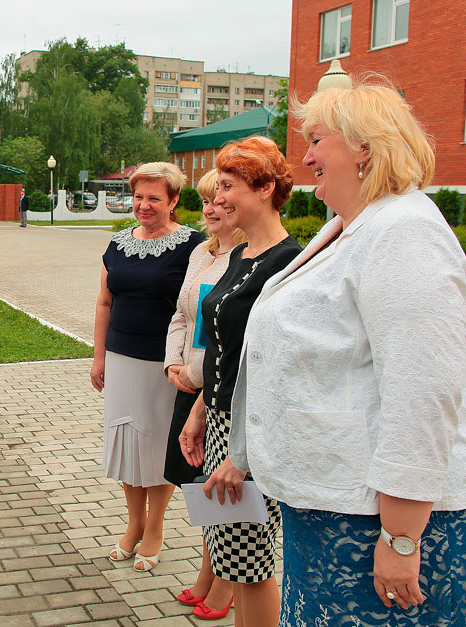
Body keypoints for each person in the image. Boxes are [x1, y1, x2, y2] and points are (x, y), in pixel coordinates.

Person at [224, 78, 466, 626]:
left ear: (364, 148)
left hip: (392, 522)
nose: (306, 158)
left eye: (316, 141)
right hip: (339, 506)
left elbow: (422, 393)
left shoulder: (404, 232)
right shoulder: (353, 227)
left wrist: (400, 538)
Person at [180, 136, 301, 627]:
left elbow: (280, 370)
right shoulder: (241, 254)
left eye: (229, 186)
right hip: (219, 420)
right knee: (231, 555)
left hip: (250, 429)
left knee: (250, 563)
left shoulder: (288, 263)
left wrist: (242, 454)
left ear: (266, 188)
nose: (219, 197)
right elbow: (223, 351)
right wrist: (199, 412)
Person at [91, 162, 204, 572]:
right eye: (138, 197)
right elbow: (105, 302)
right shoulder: (117, 244)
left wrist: (190, 364)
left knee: (159, 445)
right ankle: (134, 523)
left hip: (166, 365)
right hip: (121, 358)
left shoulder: (194, 246)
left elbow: (196, 308)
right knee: (127, 443)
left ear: (174, 200)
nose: (143, 205)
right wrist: (99, 356)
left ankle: (155, 527)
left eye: (154, 198)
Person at [163, 169, 245, 620]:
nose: (210, 209)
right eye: (206, 201)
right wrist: (172, 363)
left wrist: (196, 378)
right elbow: (180, 315)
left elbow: (230, 340)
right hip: (189, 385)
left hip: (219, 391)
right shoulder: (201, 252)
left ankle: (226, 583)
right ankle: (207, 573)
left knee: (222, 492)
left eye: (219, 199)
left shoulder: (249, 258)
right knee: (199, 488)